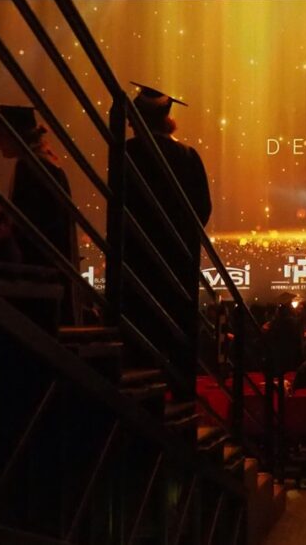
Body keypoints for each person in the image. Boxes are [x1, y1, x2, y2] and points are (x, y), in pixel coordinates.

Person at [123, 82, 211, 400]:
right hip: (178, 263)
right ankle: (183, 402)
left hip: (136, 263)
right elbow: (203, 208)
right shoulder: (188, 156)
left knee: (138, 342)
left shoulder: (130, 153)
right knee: (178, 337)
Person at [0, 105, 76, 269]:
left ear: (14, 134)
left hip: (37, 263)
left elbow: (27, 223)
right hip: (51, 262)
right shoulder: (43, 161)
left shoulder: (30, 166)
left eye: (0, 134)